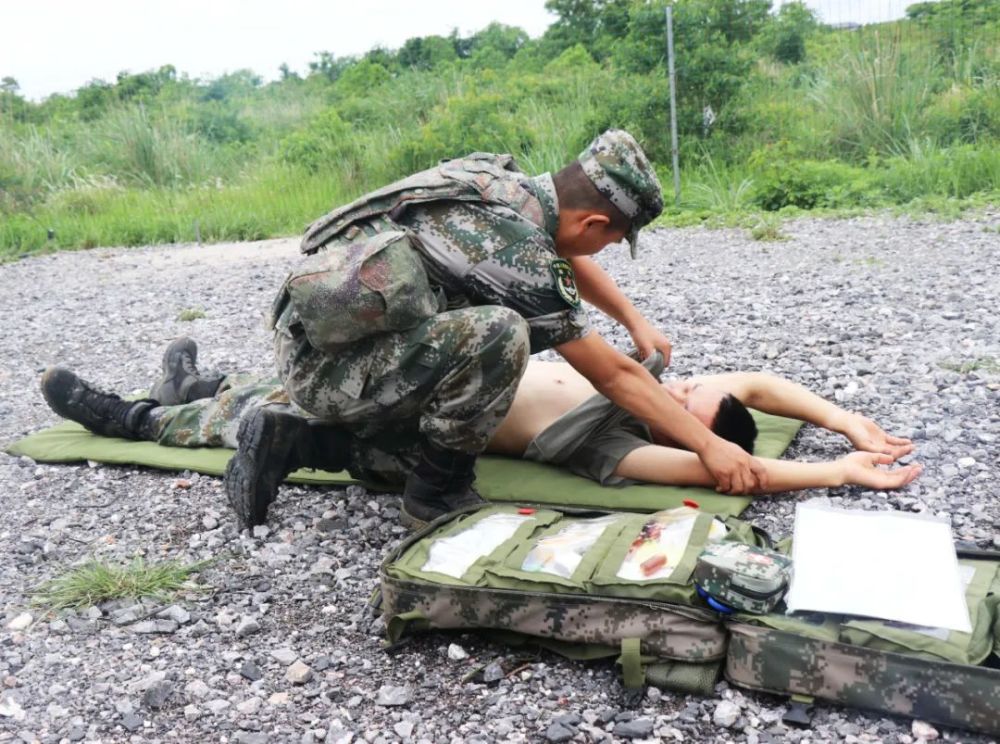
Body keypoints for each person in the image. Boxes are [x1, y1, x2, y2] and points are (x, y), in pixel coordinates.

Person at [41, 130, 769, 530]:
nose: (603, 256)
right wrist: (707, 443)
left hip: (321, 335)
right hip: (334, 366)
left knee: (360, 401)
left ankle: (192, 398)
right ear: (593, 221)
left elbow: (560, 264)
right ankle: (435, 494)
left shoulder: (499, 183)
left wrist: (632, 316)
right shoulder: (519, 251)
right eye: (610, 242)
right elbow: (608, 371)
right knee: (496, 338)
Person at [40, 337, 920, 528]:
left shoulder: (623, 445)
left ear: (697, 439)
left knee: (277, 414)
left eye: (689, 398)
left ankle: (139, 416)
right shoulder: (670, 396)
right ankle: (190, 384)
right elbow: (758, 384)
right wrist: (845, 420)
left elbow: (749, 477)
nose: (684, 385)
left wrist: (842, 473)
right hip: (431, 371)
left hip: (417, 414)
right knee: (288, 382)